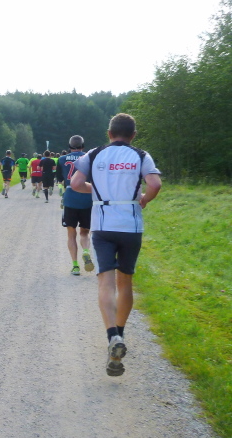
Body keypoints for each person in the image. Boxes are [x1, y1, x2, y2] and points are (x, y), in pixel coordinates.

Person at [71, 113, 161, 377]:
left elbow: (76, 183)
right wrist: (144, 199)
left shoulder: (94, 154)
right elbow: (155, 184)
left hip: (103, 225)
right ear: (133, 135)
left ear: (109, 134)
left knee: (105, 282)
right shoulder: (141, 155)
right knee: (126, 282)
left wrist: (97, 190)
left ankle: (112, 336)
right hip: (131, 226)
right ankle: (120, 333)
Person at [56, 136, 94, 276]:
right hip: (87, 198)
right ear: (83, 146)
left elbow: (60, 179)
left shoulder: (62, 159)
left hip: (70, 198)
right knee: (84, 232)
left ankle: (75, 266)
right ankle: (86, 251)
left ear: (69, 146)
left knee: (71, 234)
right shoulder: (90, 158)